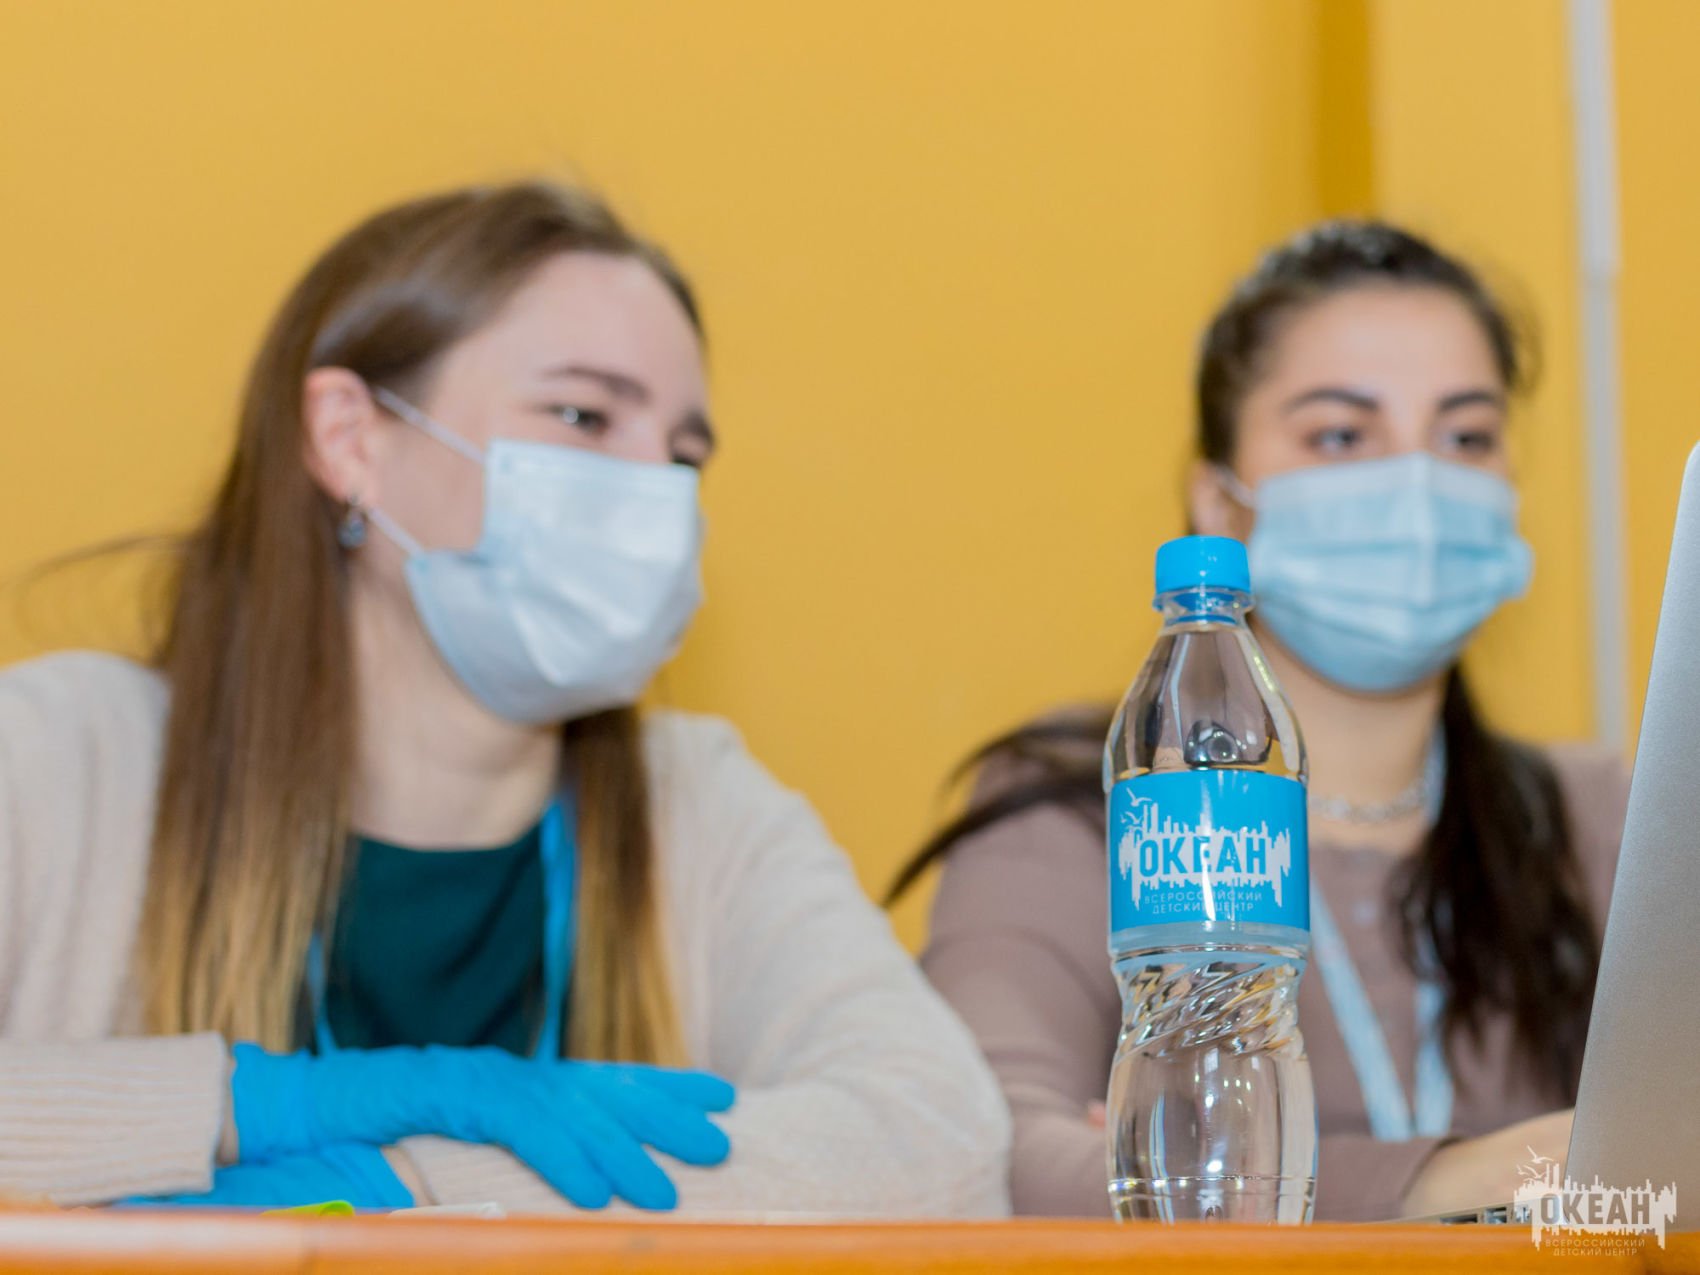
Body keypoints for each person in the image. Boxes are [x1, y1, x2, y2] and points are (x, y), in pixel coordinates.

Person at [0, 180, 1009, 1216]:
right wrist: (260, 1107)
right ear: (351, 439)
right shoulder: (59, 755)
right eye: (582, 416)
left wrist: (397, 1192)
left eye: (683, 455)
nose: (654, 493)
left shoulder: (700, 805)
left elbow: (944, 1144)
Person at [891, 221, 1627, 1222]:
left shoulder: (1605, 819)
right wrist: (1451, 1180)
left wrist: (1182, 1166)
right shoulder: (1089, 804)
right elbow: (989, 1151)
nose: (1415, 487)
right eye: (1340, 436)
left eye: (1464, 437)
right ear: (1220, 503)